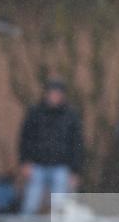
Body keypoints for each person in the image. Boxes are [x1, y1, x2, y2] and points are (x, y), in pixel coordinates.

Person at [18, 80, 84, 214]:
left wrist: (75, 171)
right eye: (52, 93)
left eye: (57, 94)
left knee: (59, 207)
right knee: (30, 204)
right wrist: (25, 162)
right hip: (37, 166)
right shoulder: (35, 113)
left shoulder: (71, 116)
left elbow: (77, 144)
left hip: (61, 167)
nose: (54, 97)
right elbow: (25, 139)